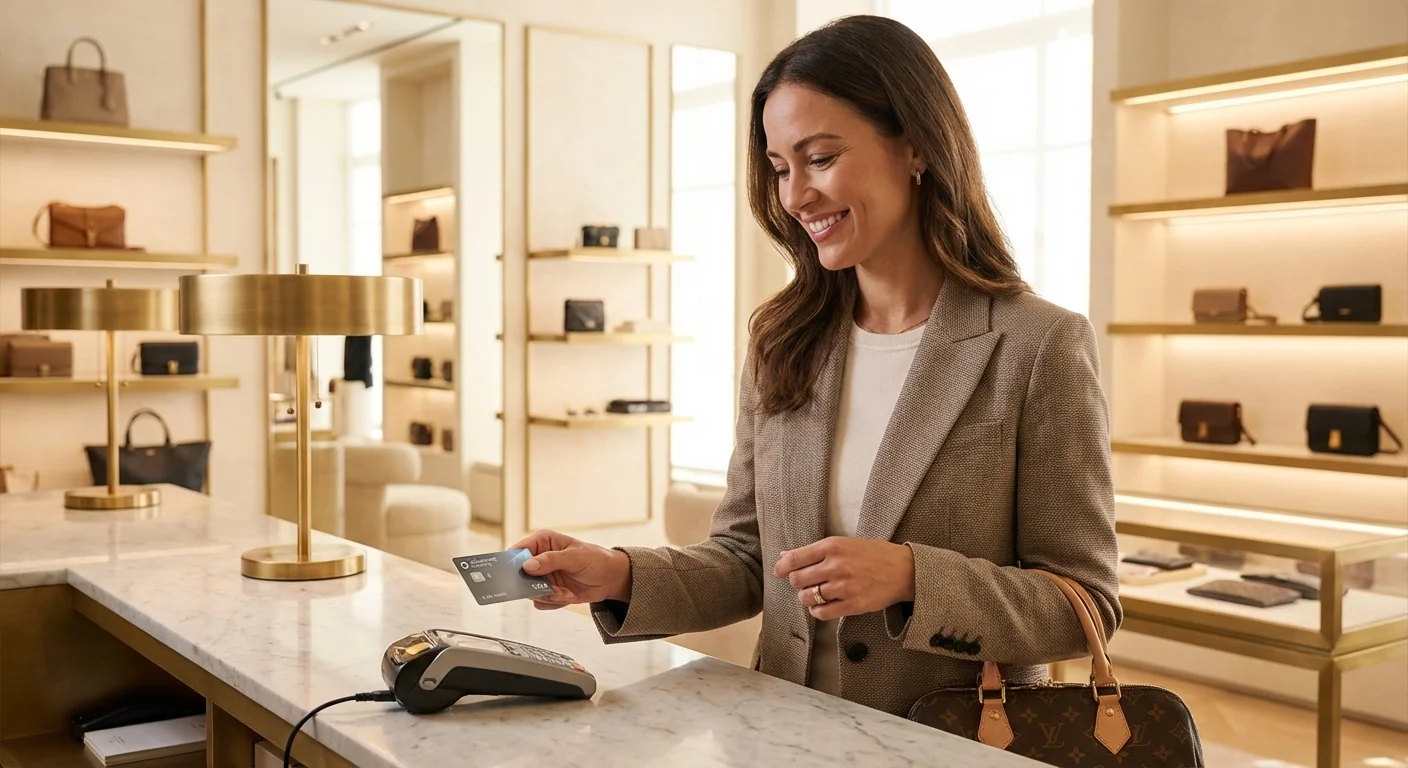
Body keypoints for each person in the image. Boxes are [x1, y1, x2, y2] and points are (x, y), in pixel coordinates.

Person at [513, 14, 1120, 718]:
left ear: (917, 146)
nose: (795, 196)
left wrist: (913, 578)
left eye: (821, 158)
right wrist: (615, 573)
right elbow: (749, 560)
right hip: (785, 736)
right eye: (779, 169)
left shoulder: (1037, 345)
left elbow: (1086, 605)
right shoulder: (783, 341)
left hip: (956, 744)